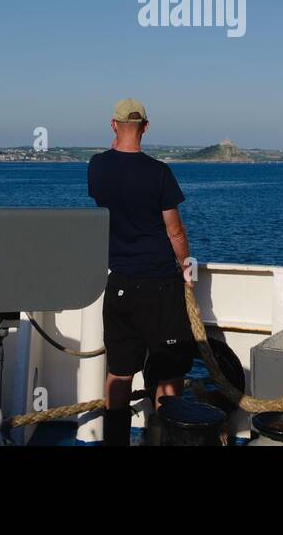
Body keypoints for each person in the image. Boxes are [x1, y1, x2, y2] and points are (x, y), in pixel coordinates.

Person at [87, 98, 195, 447]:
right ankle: (164, 439)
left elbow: (104, 194)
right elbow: (174, 231)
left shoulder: (97, 167)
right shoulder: (159, 172)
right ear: (147, 127)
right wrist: (186, 267)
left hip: (119, 282)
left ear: (112, 125)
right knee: (167, 377)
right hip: (161, 285)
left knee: (118, 375)